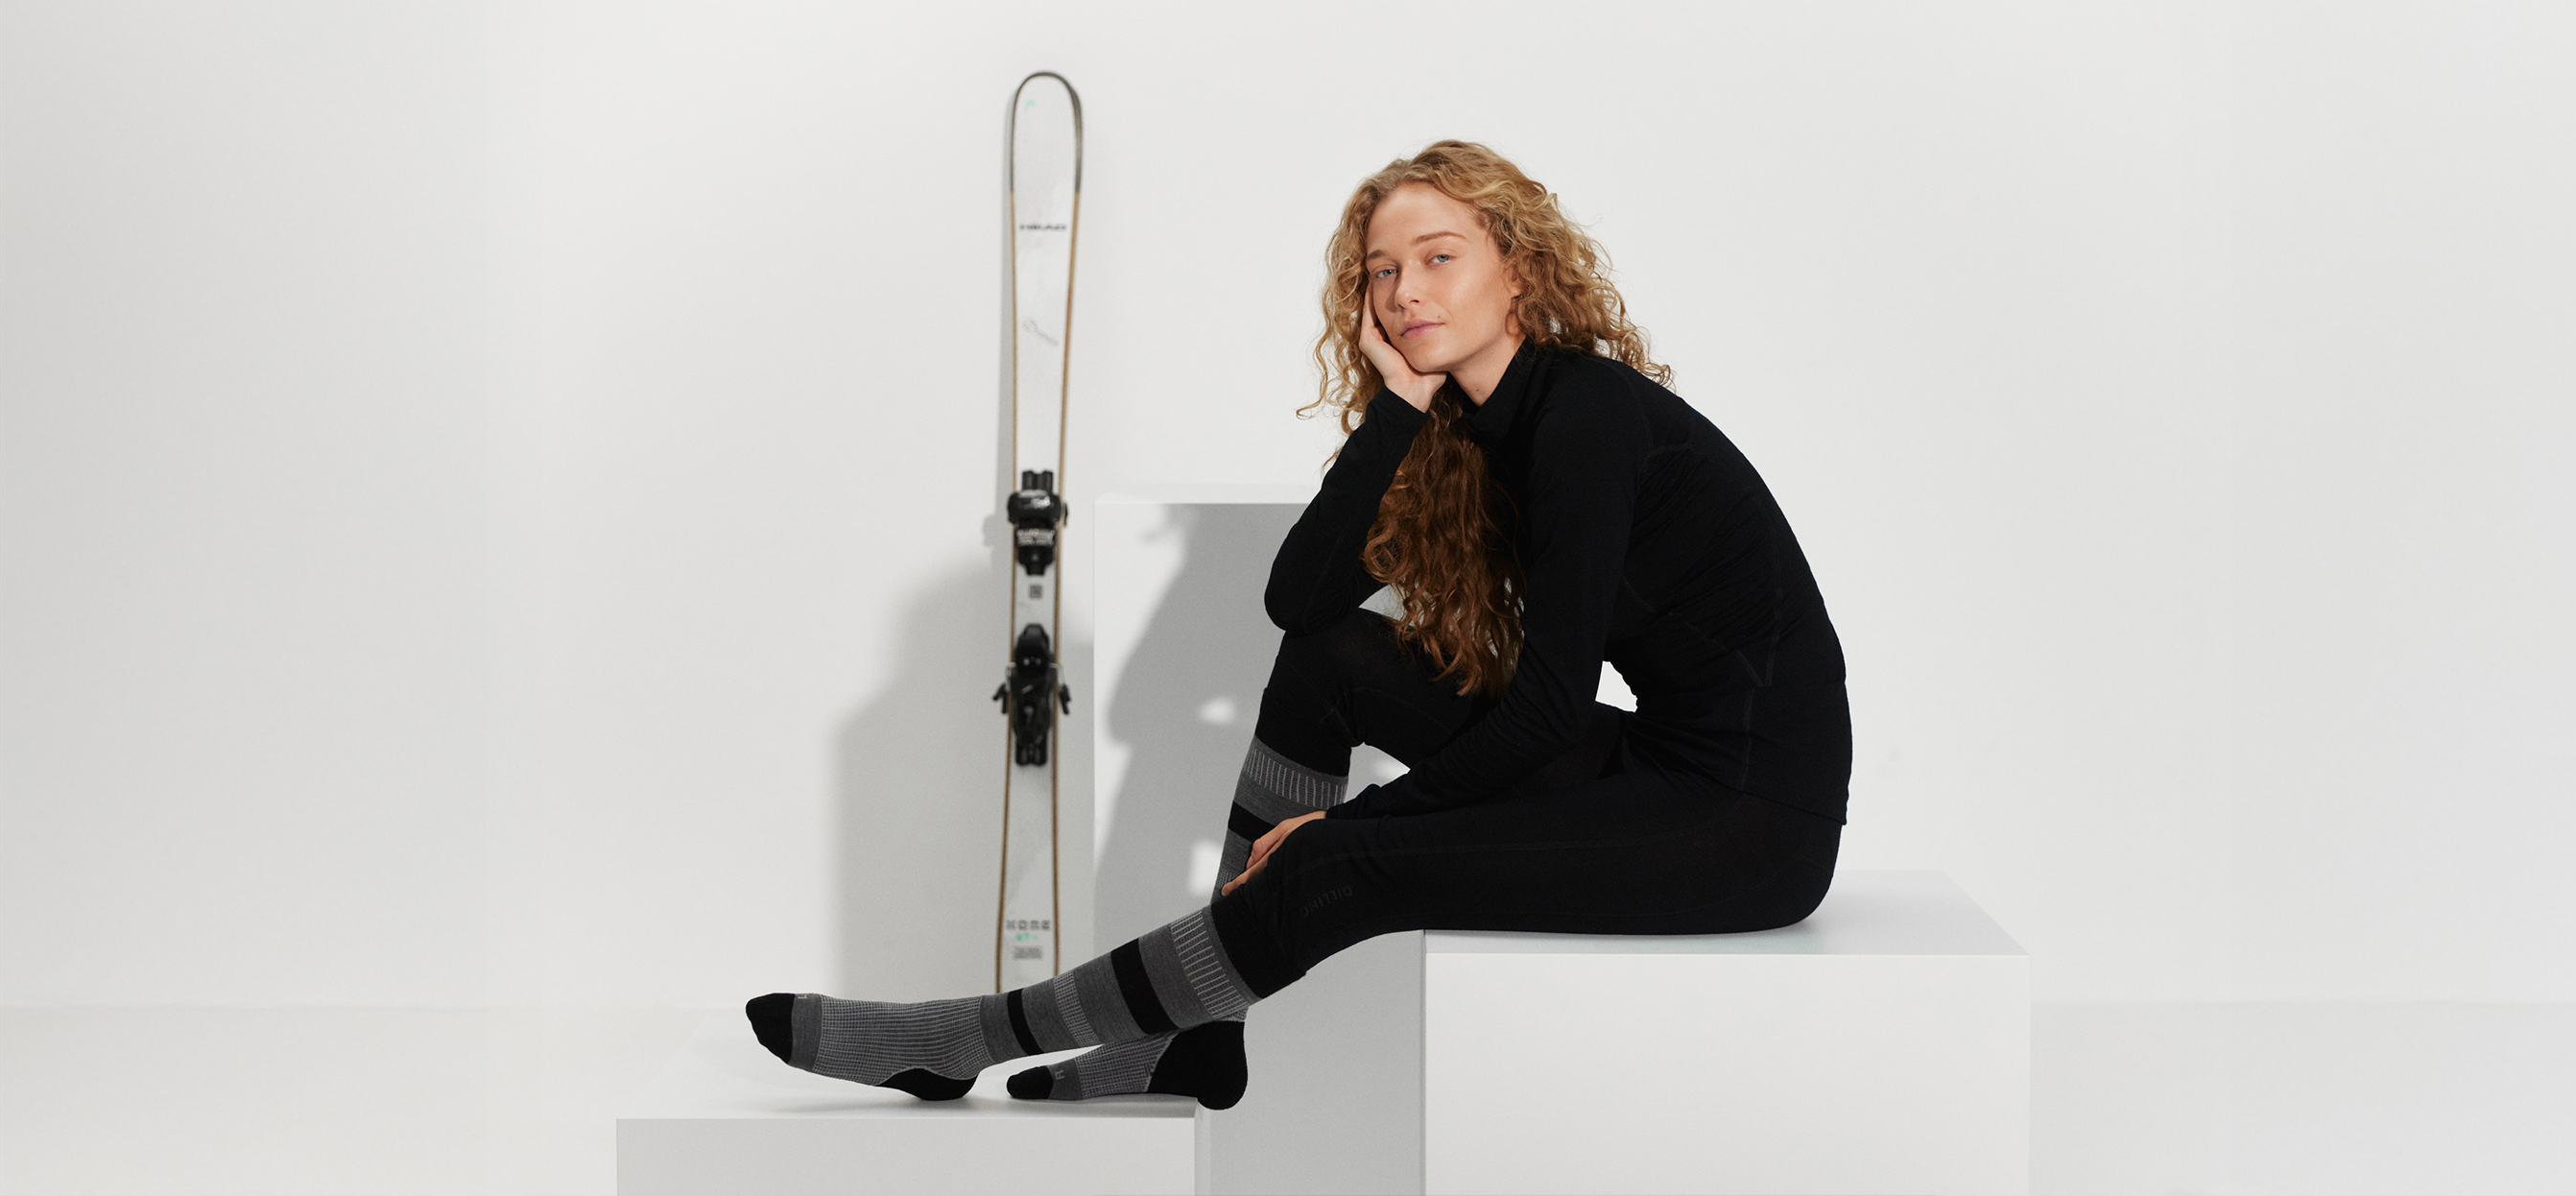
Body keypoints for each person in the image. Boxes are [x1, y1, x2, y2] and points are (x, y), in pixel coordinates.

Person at [746, 140, 1851, 1110]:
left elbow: (1551, 704)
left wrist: (1348, 822)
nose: (1405, 291)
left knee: (1345, 864)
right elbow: (1300, 602)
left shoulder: (1584, 420)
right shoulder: (1476, 428)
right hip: (1667, 763)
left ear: (1517, 267)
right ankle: (1200, 1033)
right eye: (1382, 270)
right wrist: (1396, 408)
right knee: (1334, 661)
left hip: (1748, 822)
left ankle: (964, 1036)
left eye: (1438, 257)